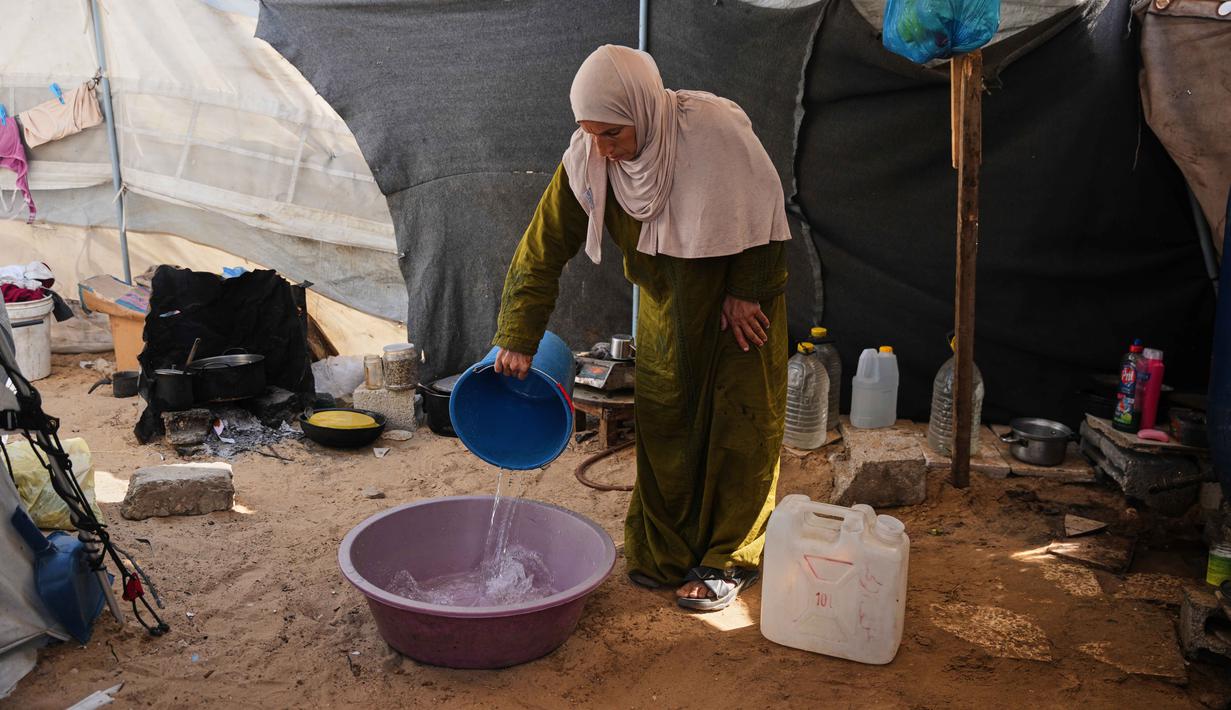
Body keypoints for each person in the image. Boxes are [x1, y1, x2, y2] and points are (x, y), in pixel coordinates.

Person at [491, 45, 789, 611]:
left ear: (644, 112)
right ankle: (666, 550)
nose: (601, 149)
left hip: (739, 306)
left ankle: (730, 556)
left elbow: (766, 207)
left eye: (612, 134)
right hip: (665, 304)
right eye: (589, 133)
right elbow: (542, 249)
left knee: (741, 424)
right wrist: (518, 336)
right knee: (667, 424)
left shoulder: (713, 131)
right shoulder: (588, 156)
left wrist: (747, 290)